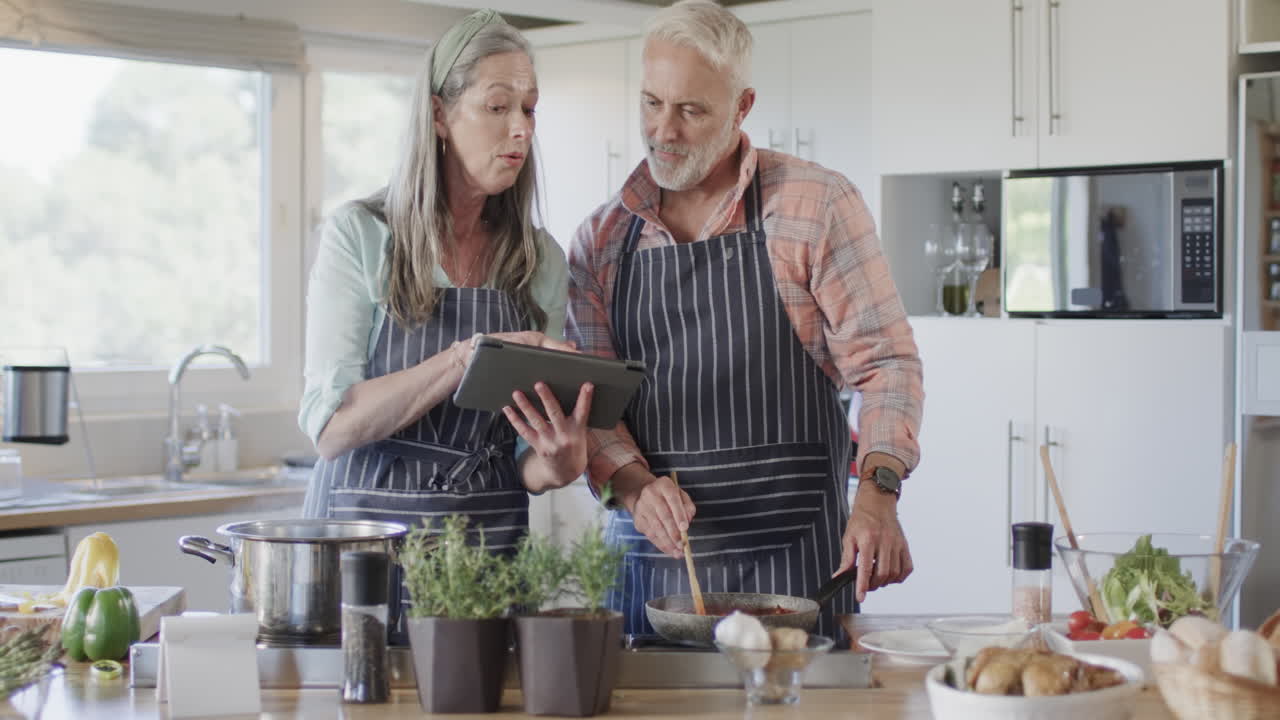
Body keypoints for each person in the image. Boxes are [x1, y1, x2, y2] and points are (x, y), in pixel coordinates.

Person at [567, 0, 924, 638]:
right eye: (651, 102)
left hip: (798, 567)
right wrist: (632, 481)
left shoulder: (814, 204)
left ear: (742, 106)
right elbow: (592, 405)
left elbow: (887, 365)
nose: (663, 131)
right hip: (657, 570)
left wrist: (878, 491)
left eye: (691, 110)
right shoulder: (601, 240)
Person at [299, 9, 592, 557]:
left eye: (529, 109)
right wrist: (466, 359)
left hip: (487, 552)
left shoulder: (540, 259)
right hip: (364, 546)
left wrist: (556, 463)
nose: (522, 128)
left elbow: (518, 458)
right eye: (497, 106)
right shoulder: (360, 236)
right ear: (439, 114)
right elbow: (332, 427)